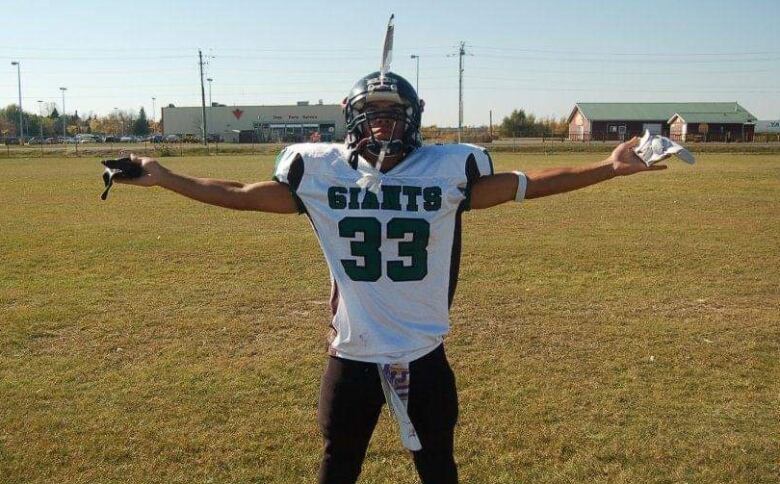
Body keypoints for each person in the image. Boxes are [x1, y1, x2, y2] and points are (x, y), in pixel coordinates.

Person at [117, 71, 666, 483]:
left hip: (422, 353)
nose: (383, 123)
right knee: (338, 465)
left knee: (437, 468)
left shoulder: (450, 170)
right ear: (352, 118)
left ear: (414, 117)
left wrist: (606, 168)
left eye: (394, 112)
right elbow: (236, 194)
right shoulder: (320, 170)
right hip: (352, 354)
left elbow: (530, 182)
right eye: (373, 113)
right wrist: (165, 176)